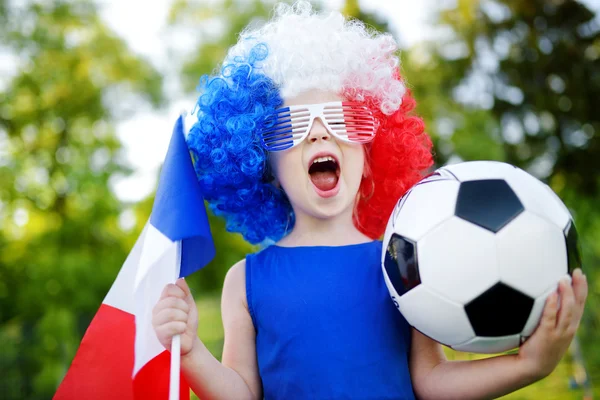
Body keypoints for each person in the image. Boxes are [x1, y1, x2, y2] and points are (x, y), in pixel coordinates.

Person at [152, 2, 588, 399]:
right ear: (261, 163)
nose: (320, 133)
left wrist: (530, 364)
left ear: (372, 151)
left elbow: (431, 381)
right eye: (291, 126)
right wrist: (190, 352)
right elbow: (241, 391)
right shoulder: (244, 280)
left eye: (344, 120)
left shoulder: (406, 261)